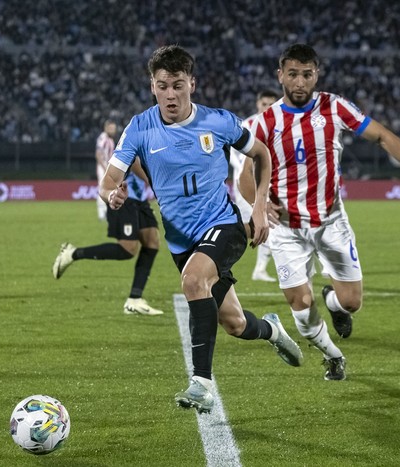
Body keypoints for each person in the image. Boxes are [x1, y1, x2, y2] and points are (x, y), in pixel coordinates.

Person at [100, 45, 303, 414]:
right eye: (163, 86)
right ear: (152, 86)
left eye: (178, 85)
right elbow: (110, 179)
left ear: (192, 83)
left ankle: (201, 384)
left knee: (194, 282)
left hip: (223, 225)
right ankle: (273, 329)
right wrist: (113, 193)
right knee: (236, 323)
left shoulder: (218, 122)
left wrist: (259, 206)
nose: (171, 94)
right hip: (182, 241)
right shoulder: (140, 128)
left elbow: (262, 155)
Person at [240, 43, 400, 381]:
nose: (300, 82)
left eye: (307, 74)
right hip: (288, 229)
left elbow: (382, 136)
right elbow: (244, 177)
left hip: (331, 221)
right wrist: (262, 205)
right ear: (281, 76)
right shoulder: (265, 122)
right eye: (292, 74)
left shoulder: (334, 107)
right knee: (301, 307)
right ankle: (333, 356)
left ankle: (334, 304)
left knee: (351, 302)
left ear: (316, 75)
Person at [53, 160, 164, 316]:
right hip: (122, 196)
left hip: (139, 198)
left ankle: (134, 299)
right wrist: (157, 183)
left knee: (152, 242)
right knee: (128, 249)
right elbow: (135, 162)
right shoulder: (137, 135)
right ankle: (72, 253)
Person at [229, 89, 281, 282]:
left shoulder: (279, 124)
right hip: (246, 184)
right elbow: (235, 156)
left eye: (271, 104)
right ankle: (216, 256)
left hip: (266, 184)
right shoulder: (247, 124)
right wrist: (247, 171)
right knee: (250, 227)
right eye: (264, 104)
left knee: (266, 225)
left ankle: (259, 269)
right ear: (258, 104)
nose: (267, 108)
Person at [95, 120, 117, 221]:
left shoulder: (111, 140)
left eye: (114, 129)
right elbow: (98, 154)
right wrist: (104, 168)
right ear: (106, 128)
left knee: (109, 189)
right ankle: (101, 213)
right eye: (111, 128)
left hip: (108, 167)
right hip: (103, 167)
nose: (113, 131)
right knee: (102, 188)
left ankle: (108, 211)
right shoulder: (103, 138)